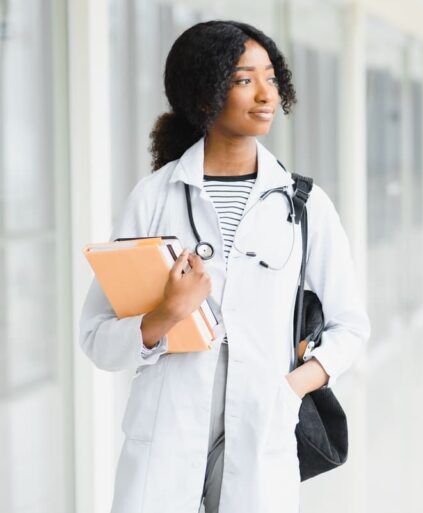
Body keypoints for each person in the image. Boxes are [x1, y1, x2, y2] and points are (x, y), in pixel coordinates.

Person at [79, 20, 370, 513]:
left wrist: (292, 388)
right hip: (165, 434)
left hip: (263, 427)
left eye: (272, 78)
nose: (265, 94)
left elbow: (351, 327)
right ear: (204, 93)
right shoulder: (155, 197)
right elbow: (97, 340)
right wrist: (167, 314)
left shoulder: (303, 203)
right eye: (243, 80)